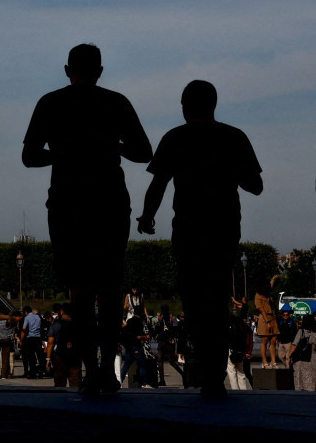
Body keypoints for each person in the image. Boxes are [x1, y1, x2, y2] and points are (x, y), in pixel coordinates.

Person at [24, 44, 151, 395]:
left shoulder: (50, 103)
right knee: (109, 291)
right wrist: (110, 147)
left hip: (67, 201)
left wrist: (63, 154)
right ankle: (107, 373)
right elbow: (144, 151)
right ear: (101, 70)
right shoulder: (116, 103)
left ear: (67, 69)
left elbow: (30, 157)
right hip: (109, 200)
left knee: (79, 292)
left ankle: (90, 369)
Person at [137, 79, 262, 398]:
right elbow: (255, 186)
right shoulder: (234, 137)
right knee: (218, 300)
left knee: (194, 302)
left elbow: (159, 185)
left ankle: (205, 369)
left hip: (189, 230)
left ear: (185, 105)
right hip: (223, 229)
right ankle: (215, 375)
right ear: (214, 104)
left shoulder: (175, 138)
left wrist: (148, 216)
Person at [256, 274, 281, 368]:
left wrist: (273, 278)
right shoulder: (258, 296)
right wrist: (267, 322)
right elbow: (261, 309)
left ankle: (273, 361)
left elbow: (270, 285)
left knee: (274, 340)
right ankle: (264, 361)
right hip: (264, 318)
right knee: (265, 340)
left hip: (272, 317)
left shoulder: (267, 293)